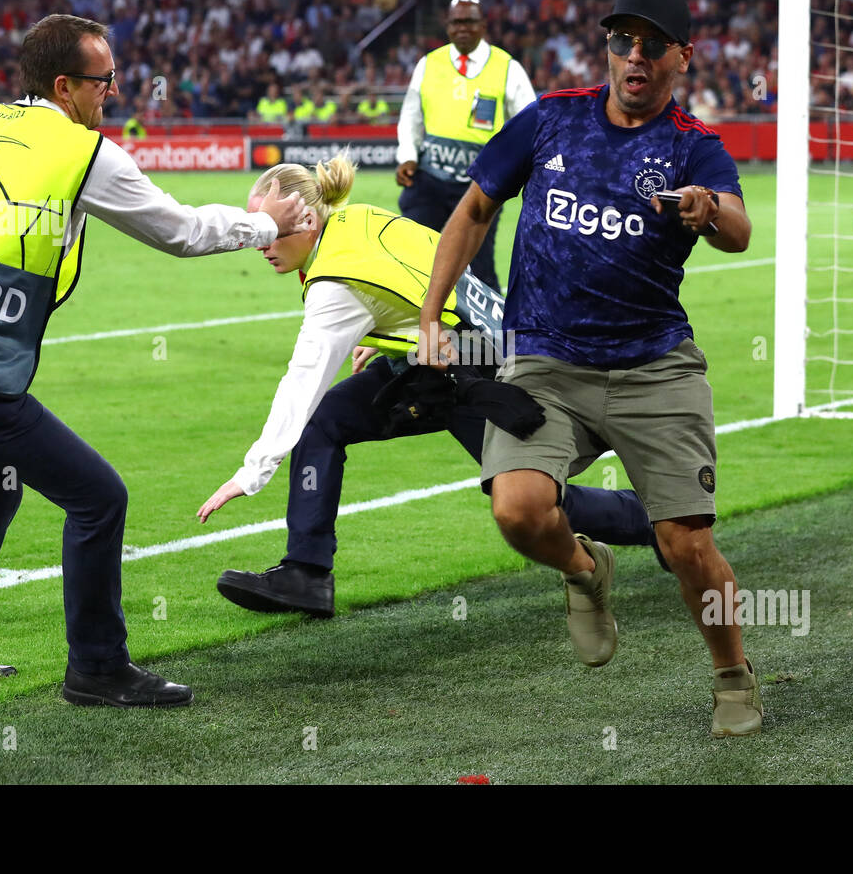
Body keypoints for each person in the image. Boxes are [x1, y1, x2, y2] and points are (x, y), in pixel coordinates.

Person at [0, 13, 308, 708]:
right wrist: (266, 225)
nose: (114, 91)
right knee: (98, 497)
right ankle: (98, 670)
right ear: (65, 84)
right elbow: (180, 232)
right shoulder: (84, 152)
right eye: (104, 80)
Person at [418, 0, 764, 738]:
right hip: (544, 359)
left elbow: (738, 228)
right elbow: (474, 210)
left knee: (685, 545)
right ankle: (585, 570)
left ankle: (732, 675)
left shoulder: (691, 145)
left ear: (683, 57)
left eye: (651, 45)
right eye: (621, 41)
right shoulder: (551, 118)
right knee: (516, 509)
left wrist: (708, 208)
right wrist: (429, 318)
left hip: (653, 367)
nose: (633, 57)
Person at [196, 155, 658, 619]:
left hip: (468, 370)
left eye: (267, 226)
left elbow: (302, 382)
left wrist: (251, 472)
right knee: (326, 424)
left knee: (525, 500)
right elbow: (427, 267)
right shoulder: (356, 218)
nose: (257, 240)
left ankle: (651, 519)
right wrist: (400, 338)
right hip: (464, 352)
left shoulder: (334, 281)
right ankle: (306, 574)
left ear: (308, 218)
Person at [395, 0, 536, 293]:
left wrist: (516, 171)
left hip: (480, 188)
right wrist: (407, 156)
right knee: (412, 258)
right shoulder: (427, 64)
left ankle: (489, 339)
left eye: (469, 21)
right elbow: (411, 116)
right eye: (456, 22)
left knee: (479, 269)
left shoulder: (507, 68)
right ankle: (414, 333)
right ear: (447, 26)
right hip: (430, 180)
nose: (462, 28)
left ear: (483, 25)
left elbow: (530, 123)